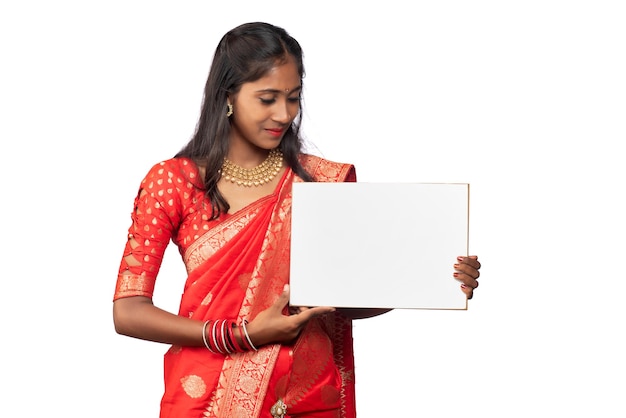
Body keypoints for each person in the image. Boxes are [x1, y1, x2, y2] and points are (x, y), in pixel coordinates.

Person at [112, 22, 481, 418]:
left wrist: (426, 277)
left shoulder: (321, 181)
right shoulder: (173, 182)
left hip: (307, 395)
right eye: (267, 99)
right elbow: (128, 312)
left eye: (293, 98)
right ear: (228, 96)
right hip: (206, 398)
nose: (284, 114)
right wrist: (243, 335)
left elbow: (346, 299)